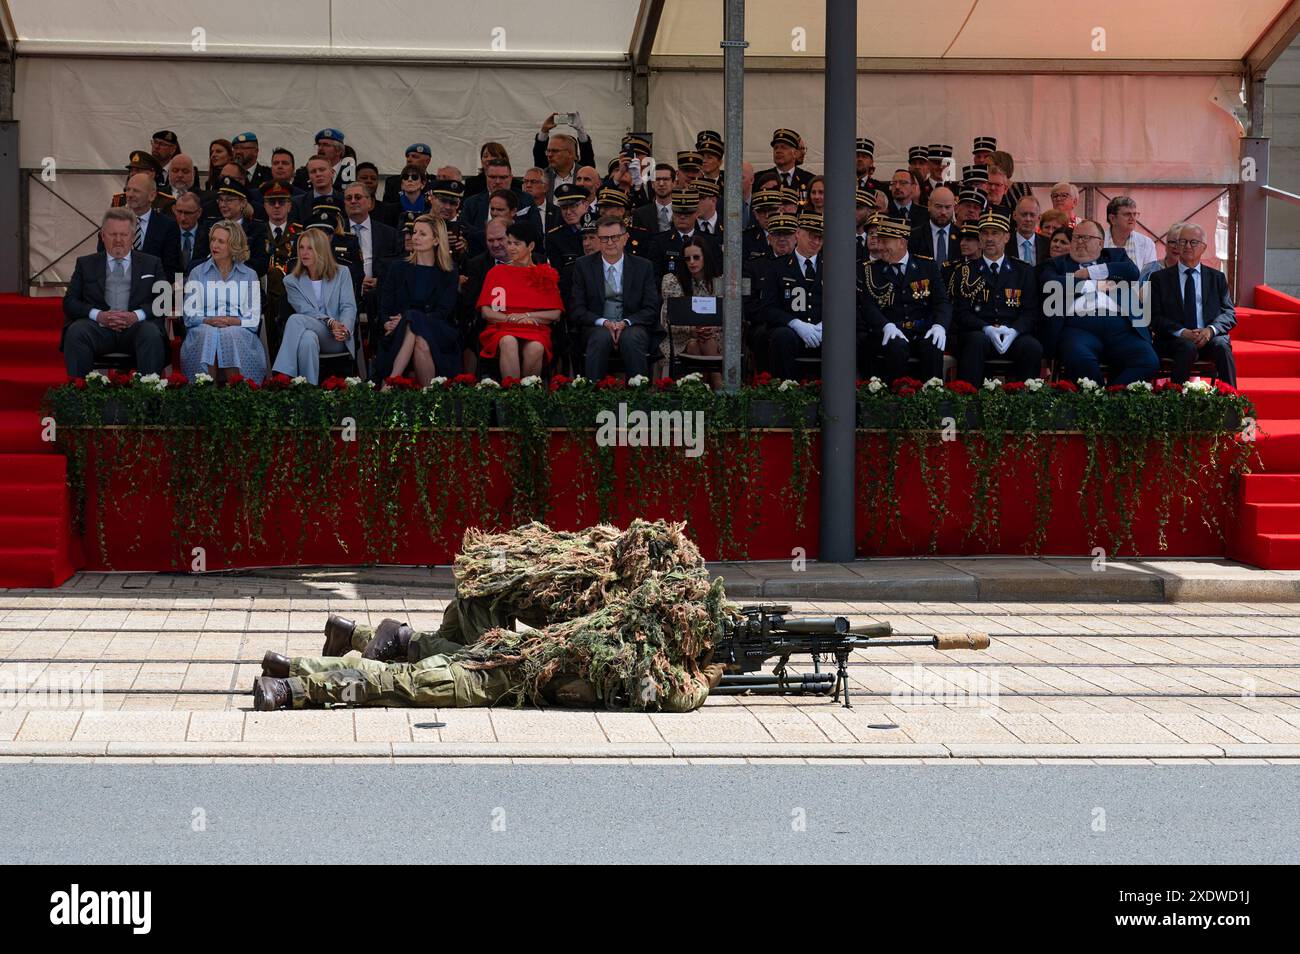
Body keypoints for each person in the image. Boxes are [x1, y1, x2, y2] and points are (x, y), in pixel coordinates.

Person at [1040, 218, 1155, 385]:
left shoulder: (1115, 256)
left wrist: (1090, 272)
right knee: (1080, 360)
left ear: (1100, 244)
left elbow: (1131, 272)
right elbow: (1051, 284)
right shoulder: (1056, 264)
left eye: (1085, 237)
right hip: (1078, 327)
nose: (1079, 242)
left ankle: (1112, 398)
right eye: (1076, 237)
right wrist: (1096, 284)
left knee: (1148, 360)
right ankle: (1096, 400)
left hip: (1120, 327)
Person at [62, 208, 167, 377]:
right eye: (112, 234)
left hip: (136, 329)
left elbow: (164, 301)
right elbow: (70, 302)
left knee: (151, 334)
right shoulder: (85, 264)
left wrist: (135, 316)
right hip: (98, 329)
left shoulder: (152, 263)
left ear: (133, 237)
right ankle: (80, 396)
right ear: (103, 236)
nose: (118, 240)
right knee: (76, 332)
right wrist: (99, 316)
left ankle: (148, 397)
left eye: (124, 235)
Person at [950, 212, 1043, 386]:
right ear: (979, 237)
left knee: (1032, 347)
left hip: (1012, 335)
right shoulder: (965, 271)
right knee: (975, 342)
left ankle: (1027, 404)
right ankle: (968, 401)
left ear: (1007, 237)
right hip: (979, 333)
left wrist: (1014, 331)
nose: (989, 238)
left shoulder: (1023, 271)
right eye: (985, 233)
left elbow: (1030, 312)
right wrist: (986, 328)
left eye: (995, 233)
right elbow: (960, 312)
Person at [568, 215, 662, 379]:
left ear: (625, 238)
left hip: (633, 324)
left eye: (615, 238)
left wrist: (625, 323)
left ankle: (637, 396)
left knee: (631, 338)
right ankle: (593, 395)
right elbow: (577, 309)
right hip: (596, 325)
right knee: (601, 337)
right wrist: (604, 323)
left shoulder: (643, 266)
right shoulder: (583, 266)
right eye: (604, 239)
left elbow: (651, 308)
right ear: (598, 239)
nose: (610, 243)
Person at [860, 215, 951, 383]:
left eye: (885, 241)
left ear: (901, 242)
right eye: (879, 240)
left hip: (921, 330)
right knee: (896, 347)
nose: (880, 246)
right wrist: (885, 325)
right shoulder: (871, 271)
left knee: (933, 345)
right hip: (889, 332)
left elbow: (941, 302)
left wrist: (940, 325)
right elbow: (868, 306)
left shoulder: (927, 267)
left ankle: (932, 399)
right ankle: (894, 400)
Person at [372, 214, 460, 384]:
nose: (415, 237)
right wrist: (386, 322)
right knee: (420, 341)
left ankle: (391, 382)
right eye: (414, 232)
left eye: (422, 234)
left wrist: (407, 319)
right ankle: (429, 398)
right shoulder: (398, 267)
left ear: (436, 240)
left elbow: (444, 311)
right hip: (398, 331)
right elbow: (385, 306)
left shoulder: (448, 271)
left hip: (437, 329)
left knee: (413, 318)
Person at [1148, 224, 1237, 386]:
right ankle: (1175, 402)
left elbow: (1229, 314)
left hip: (1207, 337)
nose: (1187, 246)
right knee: (1187, 347)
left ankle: (1231, 401)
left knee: (1222, 346)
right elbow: (1153, 317)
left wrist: (1210, 330)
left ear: (1203, 247)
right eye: (1182, 242)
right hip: (1174, 340)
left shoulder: (1217, 278)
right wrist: (1183, 332)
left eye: (1193, 242)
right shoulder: (1159, 278)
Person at [181, 220, 266, 382]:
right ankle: (207, 395)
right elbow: (189, 316)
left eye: (221, 241)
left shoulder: (249, 275)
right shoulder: (197, 273)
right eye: (213, 239)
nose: (215, 245)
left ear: (233, 245)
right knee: (208, 333)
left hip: (237, 330)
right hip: (203, 328)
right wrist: (208, 320)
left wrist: (230, 321)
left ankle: (237, 394)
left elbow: (253, 320)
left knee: (229, 334)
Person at [476, 222, 563, 379]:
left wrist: (528, 316)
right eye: (509, 243)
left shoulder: (545, 273)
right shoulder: (496, 272)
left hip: (535, 329)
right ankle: (512, 395)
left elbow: (555, 313)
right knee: (508, 341)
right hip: (501, 327)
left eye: (517, 244)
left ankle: (527, 398)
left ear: (530, 246)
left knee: (536, 347)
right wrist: (511, 318)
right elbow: (486, 311)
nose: (511, 248)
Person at [270, 228, 357, 383]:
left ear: (321, 249)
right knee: (307, 340)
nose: (304, 253)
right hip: (314, 331)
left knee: (296, 320)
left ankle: (281, 375)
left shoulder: (342, 273)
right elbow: (306, 311)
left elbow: (348, 306)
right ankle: (309, 391)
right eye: (301, 247)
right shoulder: (291, 281)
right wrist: (330, 321)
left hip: (336, 338)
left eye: (310, 248)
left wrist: (343, 329)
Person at [759, 213, 826, 379]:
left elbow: (844, 306)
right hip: (791, 332)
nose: (816, 242)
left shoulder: (831, 267)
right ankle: (787, 390)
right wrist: (795, 323)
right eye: (812, 236)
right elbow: (768, 308)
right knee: (782, 337)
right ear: (798, 233)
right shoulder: (777, 267)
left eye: (820, 238)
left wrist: (828, 325)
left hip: (823, 331)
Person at [659, 240, 721, 386]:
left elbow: (726, 317)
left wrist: (709, 329)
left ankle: (699, 389)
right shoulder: (673, 282)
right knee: (694, 343)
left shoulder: (718, 282)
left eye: (696, 257)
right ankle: (717, 383)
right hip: (680, 339)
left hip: (714, 337)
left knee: (702, 340)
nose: (692, 262)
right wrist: (691, 330)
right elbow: (666, 320)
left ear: (705, 257)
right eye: (687, 258)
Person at [102, 172, 182, 280]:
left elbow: (173, 269)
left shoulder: (168, 226)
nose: (129, 195)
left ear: (152, 196)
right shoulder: (112, 223)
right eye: (128, 189)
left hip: (153, 290)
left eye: (136, 191)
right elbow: (102, 261)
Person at [755, 128, 814, 204]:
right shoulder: (759, 179)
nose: (778, 151)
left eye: (784, 147)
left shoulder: (809, 180)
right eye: (776, 148)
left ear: (795, 153)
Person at [1103, 195, 1158, 270]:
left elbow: (1148, 276)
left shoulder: (1146, 243)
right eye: (1127, 214)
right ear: (1112, 219)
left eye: (1134, 214)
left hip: (1137, 282)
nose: (1132, 218)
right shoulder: (1098, 241)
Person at [909, 186, 959, 266]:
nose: (943, 212)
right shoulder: (914, 236)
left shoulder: (960, 236)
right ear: (929, 205)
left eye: (947, 207)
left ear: (954, 208)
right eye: (938, 206)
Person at [1007, 195, 1050, 267]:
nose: (1028, 219)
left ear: (1039, 218)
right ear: (1014, 215)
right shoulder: (1004, 243)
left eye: (1032, 215)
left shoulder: (1047, 244)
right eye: (1024, 215)